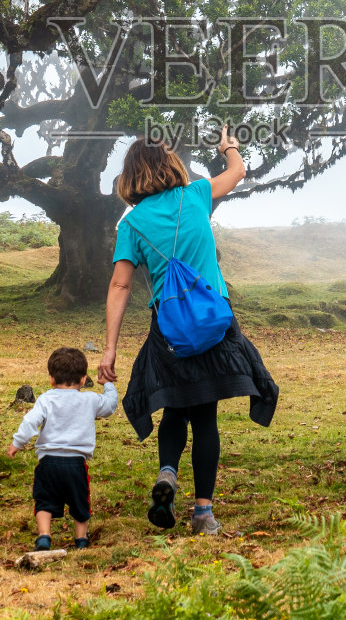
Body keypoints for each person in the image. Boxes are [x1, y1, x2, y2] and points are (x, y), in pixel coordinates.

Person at [99, 128, 278, 536]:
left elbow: (120, 286)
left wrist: (110, 349)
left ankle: (167, 473)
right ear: (170, 164)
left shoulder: (132, 224)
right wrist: (228, 146)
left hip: (169, 329)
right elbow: (237, 172)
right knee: (206, 417)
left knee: (175, 407)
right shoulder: (197, 195)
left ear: (130, 176)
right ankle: (203, 514)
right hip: (214, 323)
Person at [7, 346, 118, 550]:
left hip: (48, 462)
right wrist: (108, 384)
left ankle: (44, 536)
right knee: (80, 500)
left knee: (44, 500)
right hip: (76, 463)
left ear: (51, 378)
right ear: (84, 379)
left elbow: (30, 421)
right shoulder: (90, 399)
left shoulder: (46, 399)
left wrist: (18, 443)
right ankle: (81, 539)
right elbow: (110, 405)